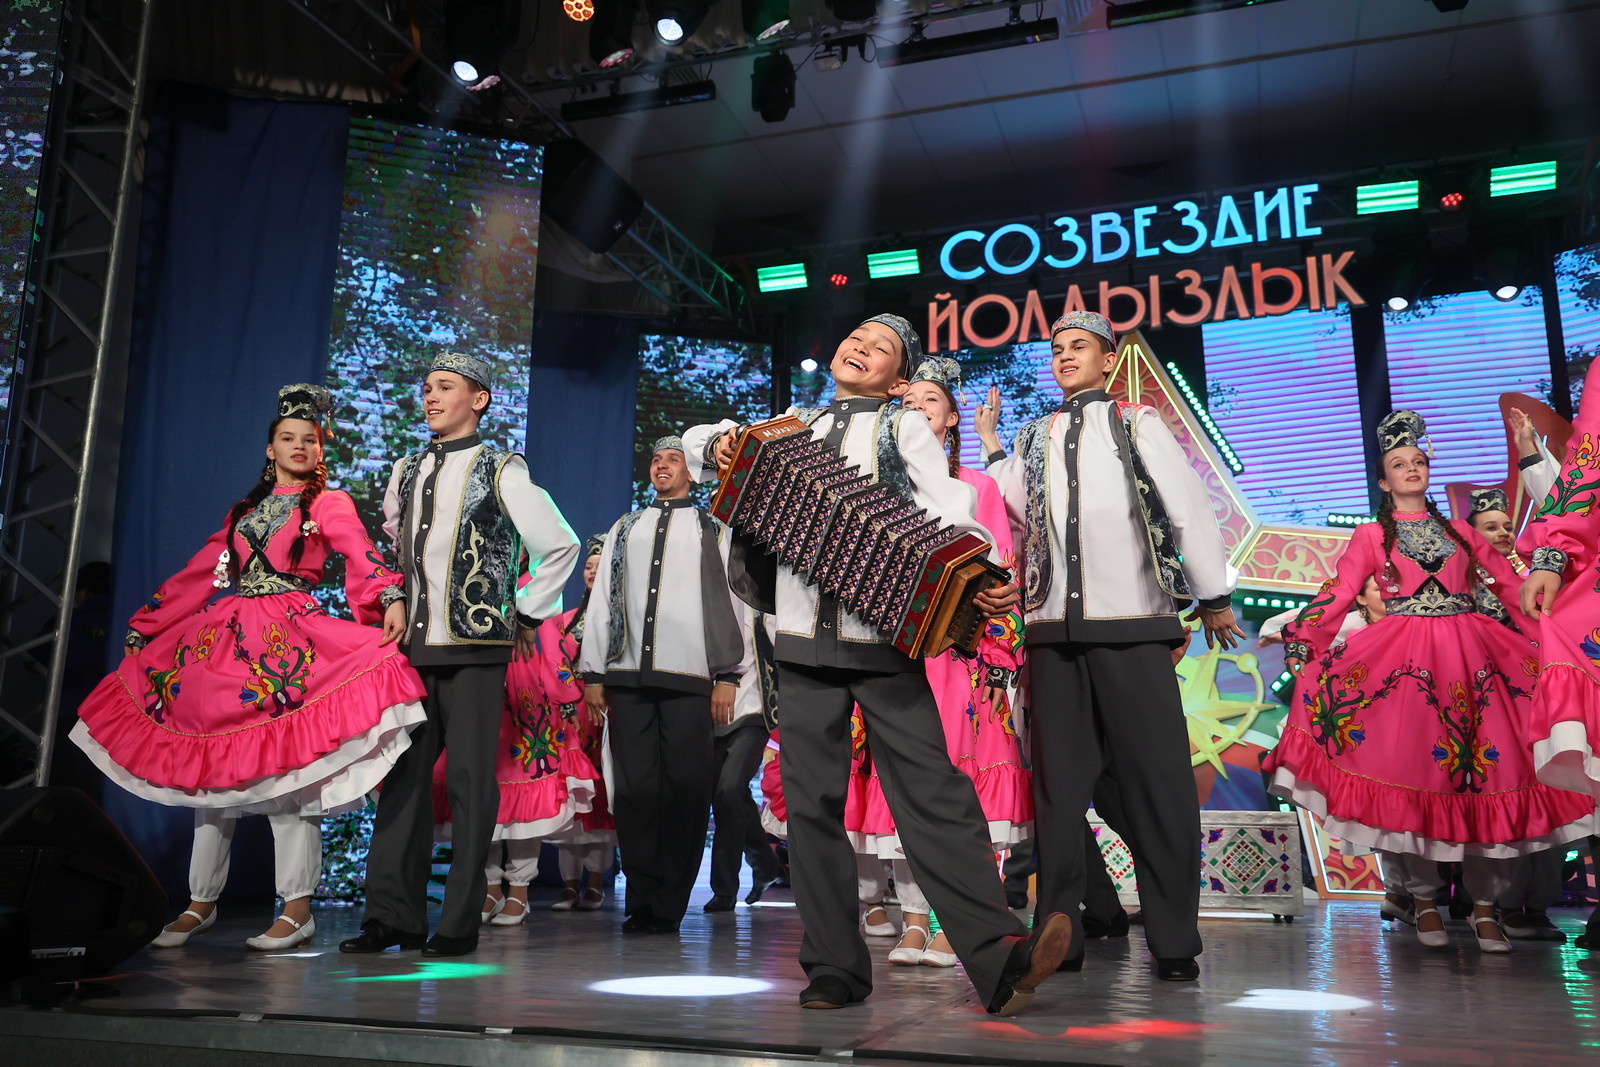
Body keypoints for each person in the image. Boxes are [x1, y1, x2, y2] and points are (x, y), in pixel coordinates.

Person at [687, 314, 1070, 1016]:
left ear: (899, 380)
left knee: (934, 793)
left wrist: (980, 568)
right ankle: (833, 965)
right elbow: (696, 446)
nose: (860, 347)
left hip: (883, 639)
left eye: (881, 347)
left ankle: (999, 954)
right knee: (812, 808)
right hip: (799, 643)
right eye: (856, 338)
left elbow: (951, 508)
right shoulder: (790, 428)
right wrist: (716, 444)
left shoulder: (905, 428)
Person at [73, 384, 427, 951]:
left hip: (288, 642)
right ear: (270, 449)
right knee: (214, 775)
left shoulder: (327, 504)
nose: (299, 446)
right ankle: (200, 903)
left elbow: (358, 551)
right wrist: (150, 623)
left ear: (320, 449)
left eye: (309, 439)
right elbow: (203, 571)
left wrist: (387, 596)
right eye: (288, 438)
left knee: (290, 778)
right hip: (228, 640)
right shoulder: (243, 512)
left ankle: (297, 907)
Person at [1270, 409, 1594, 952]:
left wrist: (1555, 633)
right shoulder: (1371, 535)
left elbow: (1512, 587)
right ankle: (1423, 902)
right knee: (1414, 777)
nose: (1412, 469)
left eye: (1418, 460)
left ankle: (1485, 907)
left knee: (1488, 777)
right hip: (1404, 662)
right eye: (1399, 464)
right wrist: (1305, 639)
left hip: (1474, 658)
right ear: (1383, 481)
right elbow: (1340, 590)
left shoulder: (1462, 532)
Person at [987, 311, 1242, 982]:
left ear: (1108, 360)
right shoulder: (1033, 437)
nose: (1065, 357)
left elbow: (1186, 506)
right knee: (1058, 791)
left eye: (1080, 346)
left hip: (1132, 623)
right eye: (1057, 349)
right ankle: (1060, 933)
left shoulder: (1136, 423)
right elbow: (1001, 510)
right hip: (1052, 631)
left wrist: (1212, 594)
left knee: (1157, 782)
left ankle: (1174, 937)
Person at [342, 353, 579, 958]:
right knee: (403, 780)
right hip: (413, 648)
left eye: (444, 387)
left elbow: (559, 545)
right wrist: (393, 596)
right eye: (426, 387)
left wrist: (525, 612)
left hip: (476, 646)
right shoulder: (406, 469)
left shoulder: (502, 469)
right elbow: (394, 551)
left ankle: (457, 922)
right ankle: (391, 916)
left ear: (478, 399)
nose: (430, 396)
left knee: (472, 781)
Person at [845, 356, 1031, 969]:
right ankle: (915, 920)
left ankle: (960, 922)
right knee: (901, 783)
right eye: (910, 400)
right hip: (892, 649)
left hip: (958, 655)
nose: (918, 408)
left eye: (931, 400)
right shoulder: (877, 483)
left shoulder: (978, 486)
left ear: (951, 418)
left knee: (962, 785)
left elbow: (999, 570)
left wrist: (996, 655)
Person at [579, 436, 745, 935]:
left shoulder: (711, 529)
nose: (662, 466)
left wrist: (728, 675)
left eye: (673, 460)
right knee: (634, 790)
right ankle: (642, 897)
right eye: (656, 459)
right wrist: (593, 672)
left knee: (686, 790)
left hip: (690, 676)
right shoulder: (626, 526)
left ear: (692, 473)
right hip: (628, 675)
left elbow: (732, 602)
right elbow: (602, 602)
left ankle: (670, 902)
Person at [434, 547, 603, 929]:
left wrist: (566, 697)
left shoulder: (539, 582)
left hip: (527, 696)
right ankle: (491, 885)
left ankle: (520, 889)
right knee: (481, 788)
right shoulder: (473, 576)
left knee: (525, 790)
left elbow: (552, 643)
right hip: (481, 684)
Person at [542, 536, 618, 912]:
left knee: (599, 796)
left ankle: (595, 882)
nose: (591, 572)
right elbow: (553, 666)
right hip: (569, 716)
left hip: (602, 714)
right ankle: (569, 883)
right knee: (571, 797)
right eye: (588, 566)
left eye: (598, 567)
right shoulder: (563, 620)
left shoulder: (618, 620)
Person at [705, 600, 784, 913]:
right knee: (727, 796)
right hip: (712, 714)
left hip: (755, 711)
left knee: (729, 791)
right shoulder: (710, 604)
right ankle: (766, 864)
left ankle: (724, 889)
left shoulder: (764, 605)